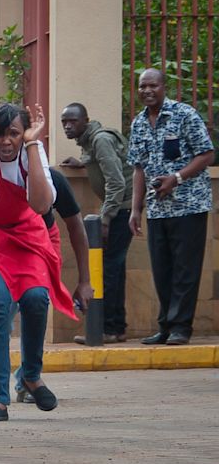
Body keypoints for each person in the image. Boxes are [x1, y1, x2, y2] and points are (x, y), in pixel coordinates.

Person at [0, 101, 74, 422]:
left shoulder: (31, 150)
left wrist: (34, 143)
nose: (6, 141)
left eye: (14, 134)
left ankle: (30, 375)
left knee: (36, 298)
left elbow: (40, 204)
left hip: (23, 232)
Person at [127, 69, 214, 346]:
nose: (147, 91)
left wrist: (176, 178)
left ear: (164, 87)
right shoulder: (138, 123)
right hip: (157, 209)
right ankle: (165, 326)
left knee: (185, 269)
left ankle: (181, 328)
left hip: (189, 205)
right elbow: (138, 168)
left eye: (153, 85)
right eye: (142, 86)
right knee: (161, 268)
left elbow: (207, 153)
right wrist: (135, 208)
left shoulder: (184, 115)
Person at [60, 103, 134, 343]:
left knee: (109, 268)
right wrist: (83, 164)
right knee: (115, 267)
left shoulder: (100, 140)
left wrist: (106, 218)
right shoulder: (90, 141)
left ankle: (109, 329)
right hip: (121, 208)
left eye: (72, 121)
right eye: (64, 122)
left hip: (122, 209)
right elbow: (105, 164)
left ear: (85, 121)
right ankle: (117, 326)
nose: (68, 126)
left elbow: (116, 182)